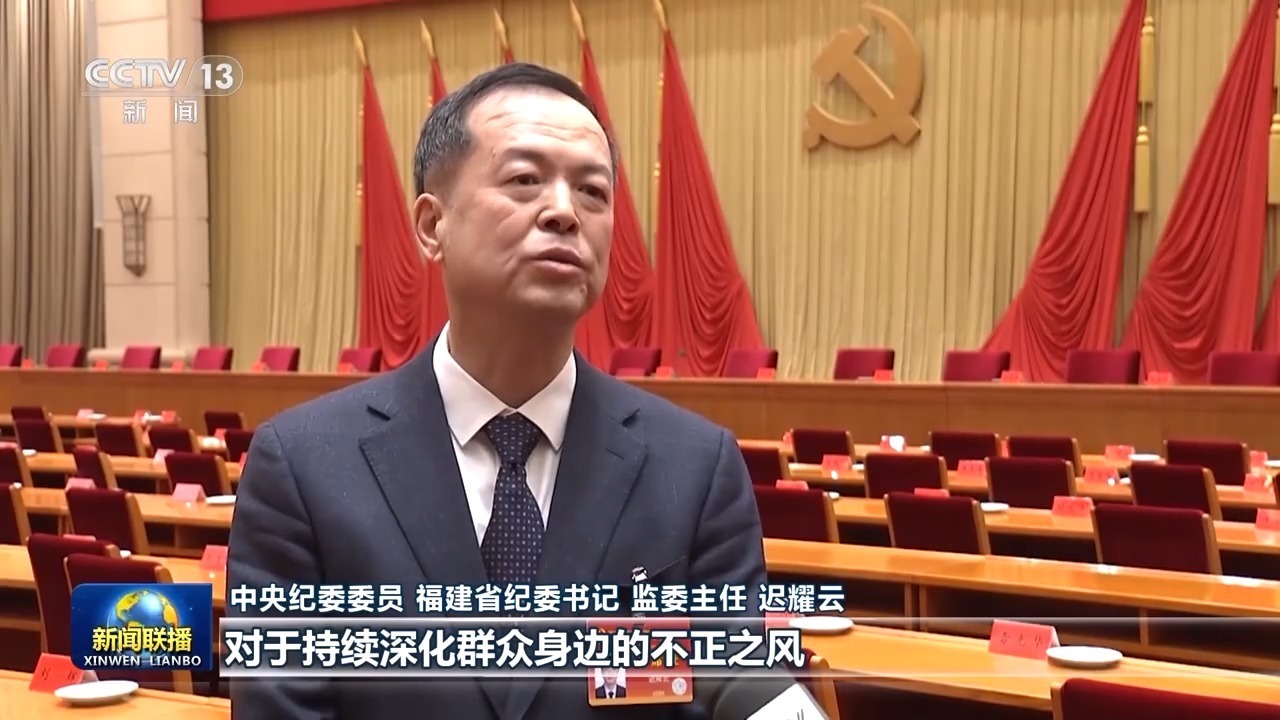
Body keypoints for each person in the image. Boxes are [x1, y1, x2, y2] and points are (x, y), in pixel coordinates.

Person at [227, 63, 788, 719]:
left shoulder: (695, 468)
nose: (564, 212)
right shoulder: (302, 467)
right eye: (525, 180)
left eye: (593, 192)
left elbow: (743, 690)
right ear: (432, 225)